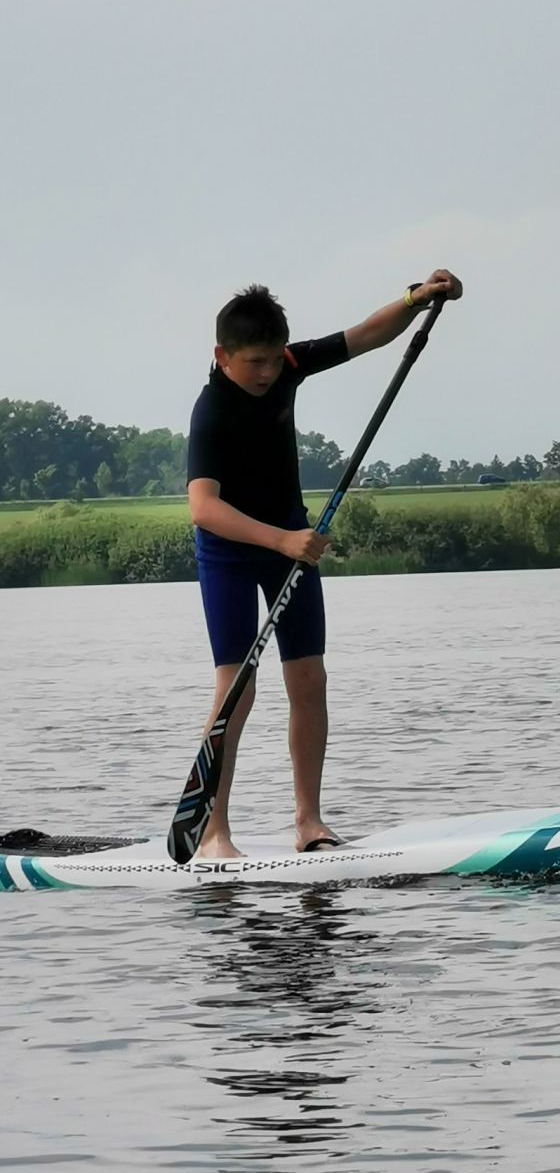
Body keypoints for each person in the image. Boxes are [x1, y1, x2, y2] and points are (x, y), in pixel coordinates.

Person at [186, 269, 463, 859]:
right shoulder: (211, 411)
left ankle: (309, 822)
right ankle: (214, 833)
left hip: (293, 545)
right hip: (233, 552)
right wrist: (282, 541)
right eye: (253, 363)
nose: (266, 373)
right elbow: (203, 508)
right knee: (236, 689)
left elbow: (366, 335)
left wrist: (418, 299)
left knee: (309, 679)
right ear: (222, 355)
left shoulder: (288, 364)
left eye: (272, 360)